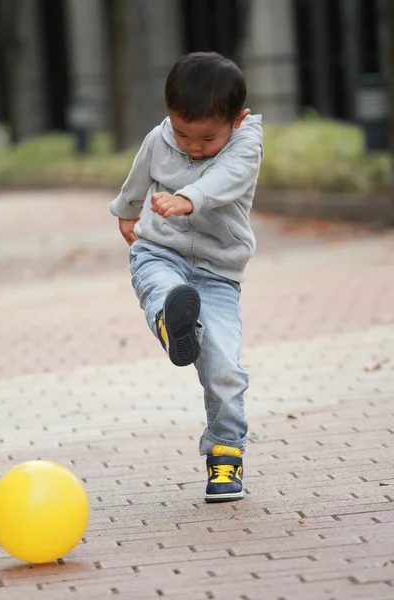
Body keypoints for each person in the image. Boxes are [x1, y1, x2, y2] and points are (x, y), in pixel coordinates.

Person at [110, 52, 263, 503]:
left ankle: (225, 452)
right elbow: (139, 176)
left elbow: (227, 178)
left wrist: (188, 198)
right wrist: (127, 212)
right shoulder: (159, 139)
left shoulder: (246, 143)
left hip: (218, 274)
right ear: (169, 117)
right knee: (162, 286)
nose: (193, 147)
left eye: (206, 139)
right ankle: (168, 320)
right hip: (161, 250)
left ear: (239, 119)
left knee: (226, 368)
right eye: (182, 133)